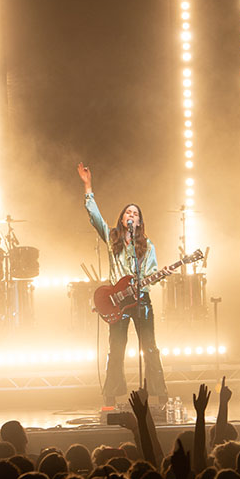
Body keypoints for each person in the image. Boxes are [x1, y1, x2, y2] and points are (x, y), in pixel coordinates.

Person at [77, 163, 168, 407]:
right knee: (116, 350)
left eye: (135, 214)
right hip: (117, 303)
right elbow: (95, 217)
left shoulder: (148, 247)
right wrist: (88, 186)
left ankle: (159, 394)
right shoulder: (112, 238)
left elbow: (151, 273)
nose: (132, 216)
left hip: (141, 302)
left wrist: (157, 276)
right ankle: (111, 394)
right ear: (122, 218)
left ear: (140, 221)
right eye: (128, 212)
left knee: (150, 348)